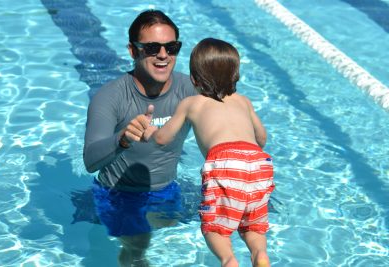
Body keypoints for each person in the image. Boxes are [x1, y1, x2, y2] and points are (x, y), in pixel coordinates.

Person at [143, 38, 275, 267]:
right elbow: (262, 139)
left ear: (194, 79)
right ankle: (260, 256)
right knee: (252, 224)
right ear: (236, 75)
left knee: (215, 228)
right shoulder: (243, 101)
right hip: (259, 163)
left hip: (225, 162)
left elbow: (163, 139)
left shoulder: (192, 103)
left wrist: (149, 130)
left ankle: (228, 260)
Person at [83, 10, 196, 267]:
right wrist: (122, 140)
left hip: (167, 189)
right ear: (133, 51)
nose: (163, 55)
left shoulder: (190, 91)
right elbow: (91, 161)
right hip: (118, 195)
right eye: (152, 47)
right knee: (138, 251)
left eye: (172, 47)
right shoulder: (110, 97)